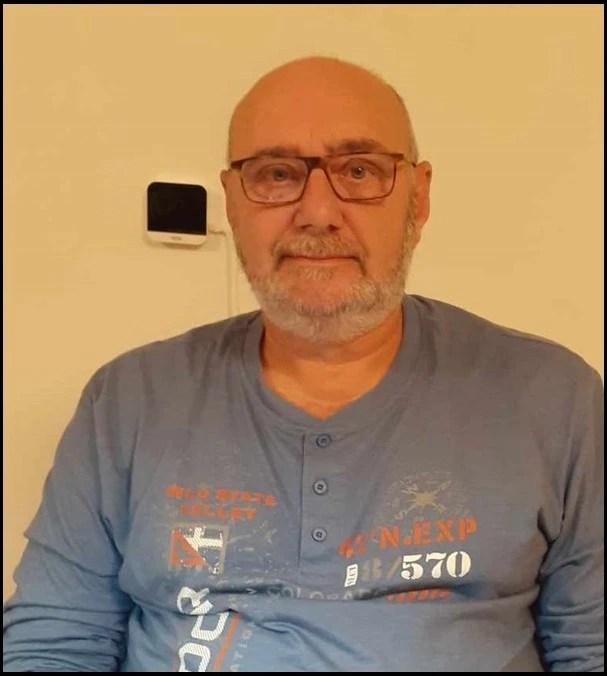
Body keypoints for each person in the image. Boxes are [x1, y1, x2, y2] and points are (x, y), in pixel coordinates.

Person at [3, 56, 603, 673]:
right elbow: (55, 643)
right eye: (276, 174)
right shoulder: (129, 400)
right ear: (233, 202)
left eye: (360, 170)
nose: (318, 212)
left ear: (418, 197)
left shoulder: (553, 399)